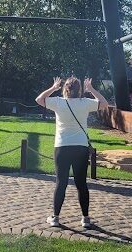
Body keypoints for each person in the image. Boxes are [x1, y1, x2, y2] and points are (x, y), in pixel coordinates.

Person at [35, 75, 109, 229]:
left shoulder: (57, 102)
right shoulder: (85, 103)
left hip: (62, 147)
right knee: (81, 183)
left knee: (61, 183)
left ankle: (55, 218)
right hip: (80, 147)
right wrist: (92, 89)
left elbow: (39, 99)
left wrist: (53, 87)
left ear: (65, 89)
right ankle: (85, 218)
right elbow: (104, 103)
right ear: (79, 90)